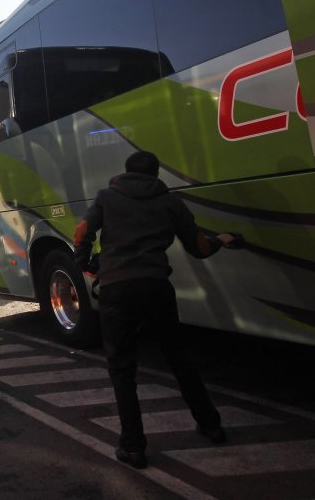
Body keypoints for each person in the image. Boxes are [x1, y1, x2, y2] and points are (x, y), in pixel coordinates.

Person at [73, 150, 241, 470]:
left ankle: (133, 447)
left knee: (122, 370)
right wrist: (223, 239)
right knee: (180, 360)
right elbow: (200, 248)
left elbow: (82, 232)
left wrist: (87, 263)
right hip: (155, 288)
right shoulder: (170, 202)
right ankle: (211, 425)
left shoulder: (107, 197)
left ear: (125, 172)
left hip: (116, 291)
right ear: (156, 174)